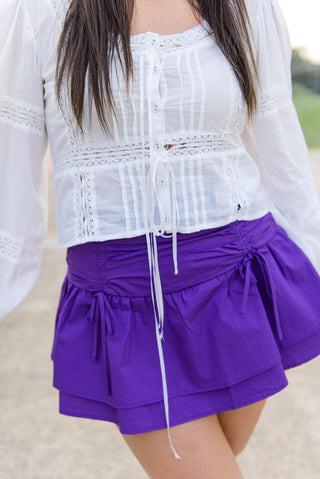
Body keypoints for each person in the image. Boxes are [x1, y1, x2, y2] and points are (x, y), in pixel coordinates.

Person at [1, 0, 320, 477]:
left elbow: (279, 142)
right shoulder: (38, 11)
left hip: (241, 283)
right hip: (126, 299)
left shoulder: (246, 7)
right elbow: (12, 161)